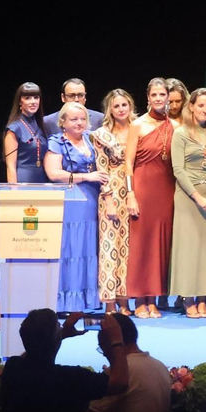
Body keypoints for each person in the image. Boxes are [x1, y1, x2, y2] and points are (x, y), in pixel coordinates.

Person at [0, 310, 130, 412]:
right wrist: (116, 339)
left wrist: (58, 336)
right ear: (56, 339)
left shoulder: (13, 367)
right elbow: (120, 383)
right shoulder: (70, 378)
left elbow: (31, 354)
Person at [170, 88, 206, 318]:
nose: (205, 109)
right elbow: (178, 169)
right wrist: (198, 196)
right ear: (191, 106)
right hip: (188, 197)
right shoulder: (181, 133)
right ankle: (188, 298)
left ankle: (204, 297)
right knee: (189, 248)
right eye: (200, 105)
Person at [46, 102, 103, 312]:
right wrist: (86, 176)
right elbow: (54, 173)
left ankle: (89, 299)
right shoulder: (56, 142)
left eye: (82, 119)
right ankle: (68, 301)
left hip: (92, 199)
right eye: (74, 119)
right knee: (72, 248)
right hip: (70, 202)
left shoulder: (91, 139)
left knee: (88, 247)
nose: (79, 123)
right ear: (63, 122)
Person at [127, 78, 177, 319]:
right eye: (154, 95)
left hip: (166, 191)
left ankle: (154, 299)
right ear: (148, 98)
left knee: (160, 244)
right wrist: (130, 194)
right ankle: (139, 298)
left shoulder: (175, 126)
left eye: (162, 95)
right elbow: (128, 164)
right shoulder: (137, 125)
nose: (159, 99)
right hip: (142, 189)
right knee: (141, 245)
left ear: (168, 97)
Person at [80, 313, 172, 412]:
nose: (104, 355)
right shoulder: (160, 367)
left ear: (110, 342)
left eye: (102, 348)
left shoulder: (119, 374)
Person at [91, 89, 136, 314]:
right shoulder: (101, 134)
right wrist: (108, 199)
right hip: (111, 192)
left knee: (129, 247)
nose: (121, 109)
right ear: (109, 109)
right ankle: (109, 301)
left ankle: (125, 300)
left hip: (136, 190)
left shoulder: (139, 130)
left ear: (130, 107)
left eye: (124, 105)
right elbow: (101, 169)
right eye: (116, 106)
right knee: (110, 247)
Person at [4, 82, 49, 183]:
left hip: (43, 179)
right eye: (27, 98)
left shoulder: (41, 125)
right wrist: (14, 191)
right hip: (23, 180)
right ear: (20, 101)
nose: (33, 102)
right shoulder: (14, 129)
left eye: (36, 97)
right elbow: (10, 166)